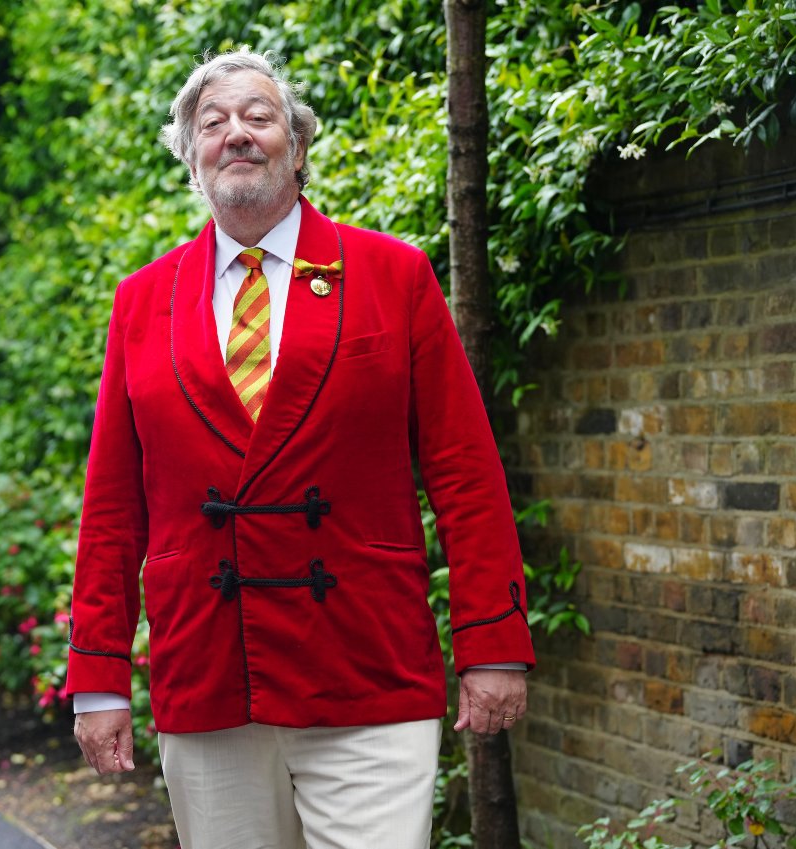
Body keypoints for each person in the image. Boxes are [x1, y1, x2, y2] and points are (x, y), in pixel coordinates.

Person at [66, 48, 536, 849]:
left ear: (298, 144)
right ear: (192, 157)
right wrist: (97, 675)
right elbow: (114, 504)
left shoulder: (393, 275)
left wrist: (492, 639)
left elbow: (464, 470)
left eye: (258, 116)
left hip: (366, 666)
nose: (236, 135)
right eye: (212, 124)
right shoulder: (142, 302)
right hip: (209, 670)